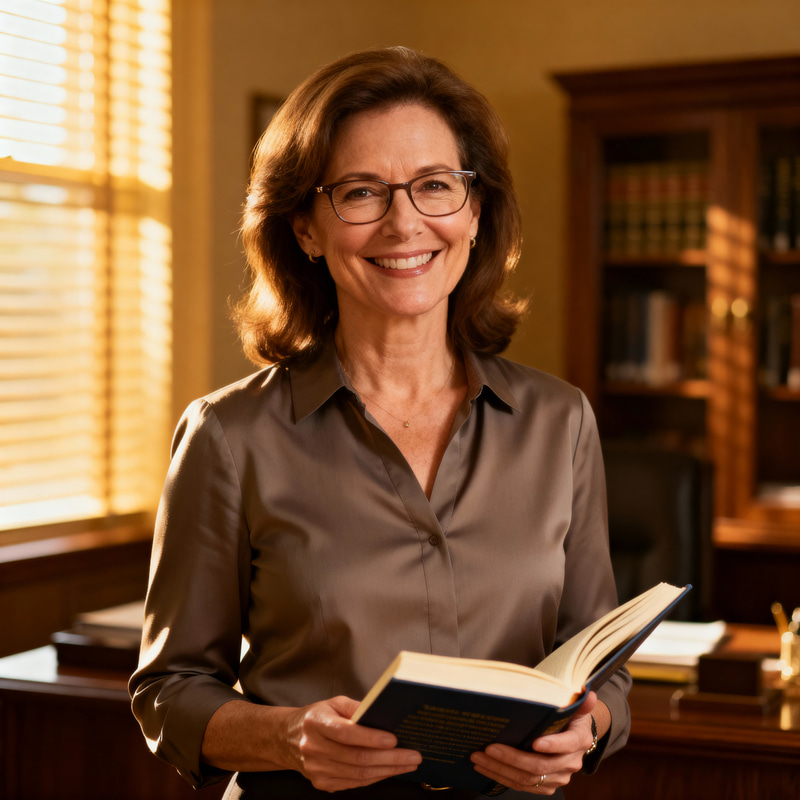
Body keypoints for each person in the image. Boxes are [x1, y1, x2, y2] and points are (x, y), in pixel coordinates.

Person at [129, 46, 631, 799]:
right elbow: (168, 690)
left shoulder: (559, 422)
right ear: (304, 227)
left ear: (475, 210)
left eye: (435, 186)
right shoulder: (229, 437)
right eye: (361, 192)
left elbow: (604, 665)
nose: (405, 224)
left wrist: (584, 730)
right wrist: (288, 738)